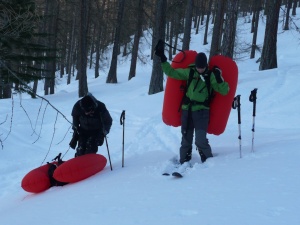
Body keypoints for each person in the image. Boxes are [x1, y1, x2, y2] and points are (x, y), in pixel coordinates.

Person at [154, 40, 229, 164]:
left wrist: (219, 77)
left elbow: (225, 91)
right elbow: (171, 72)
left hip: (202, 112)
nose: (200, 70)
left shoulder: (211, 76)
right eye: (198, 67)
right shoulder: (190, 72)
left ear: (206, 66)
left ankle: (209, 162)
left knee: (200, 140)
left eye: (202, 67)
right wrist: (162, 58)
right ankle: (184, 161)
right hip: (187, 110)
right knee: (186, 140)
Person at [70, 93, 112, 157]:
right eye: (85, 112)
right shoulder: (77, 106)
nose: (87, 114)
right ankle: (78, 163)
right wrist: (75, 133)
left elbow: (108, 121)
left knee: (90, 150)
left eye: (89, 112)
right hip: (83, 131)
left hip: (96, 132)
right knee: (80, 150)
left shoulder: (100, 107)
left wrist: (103, 133)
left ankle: (90, 163)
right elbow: (75, 119)